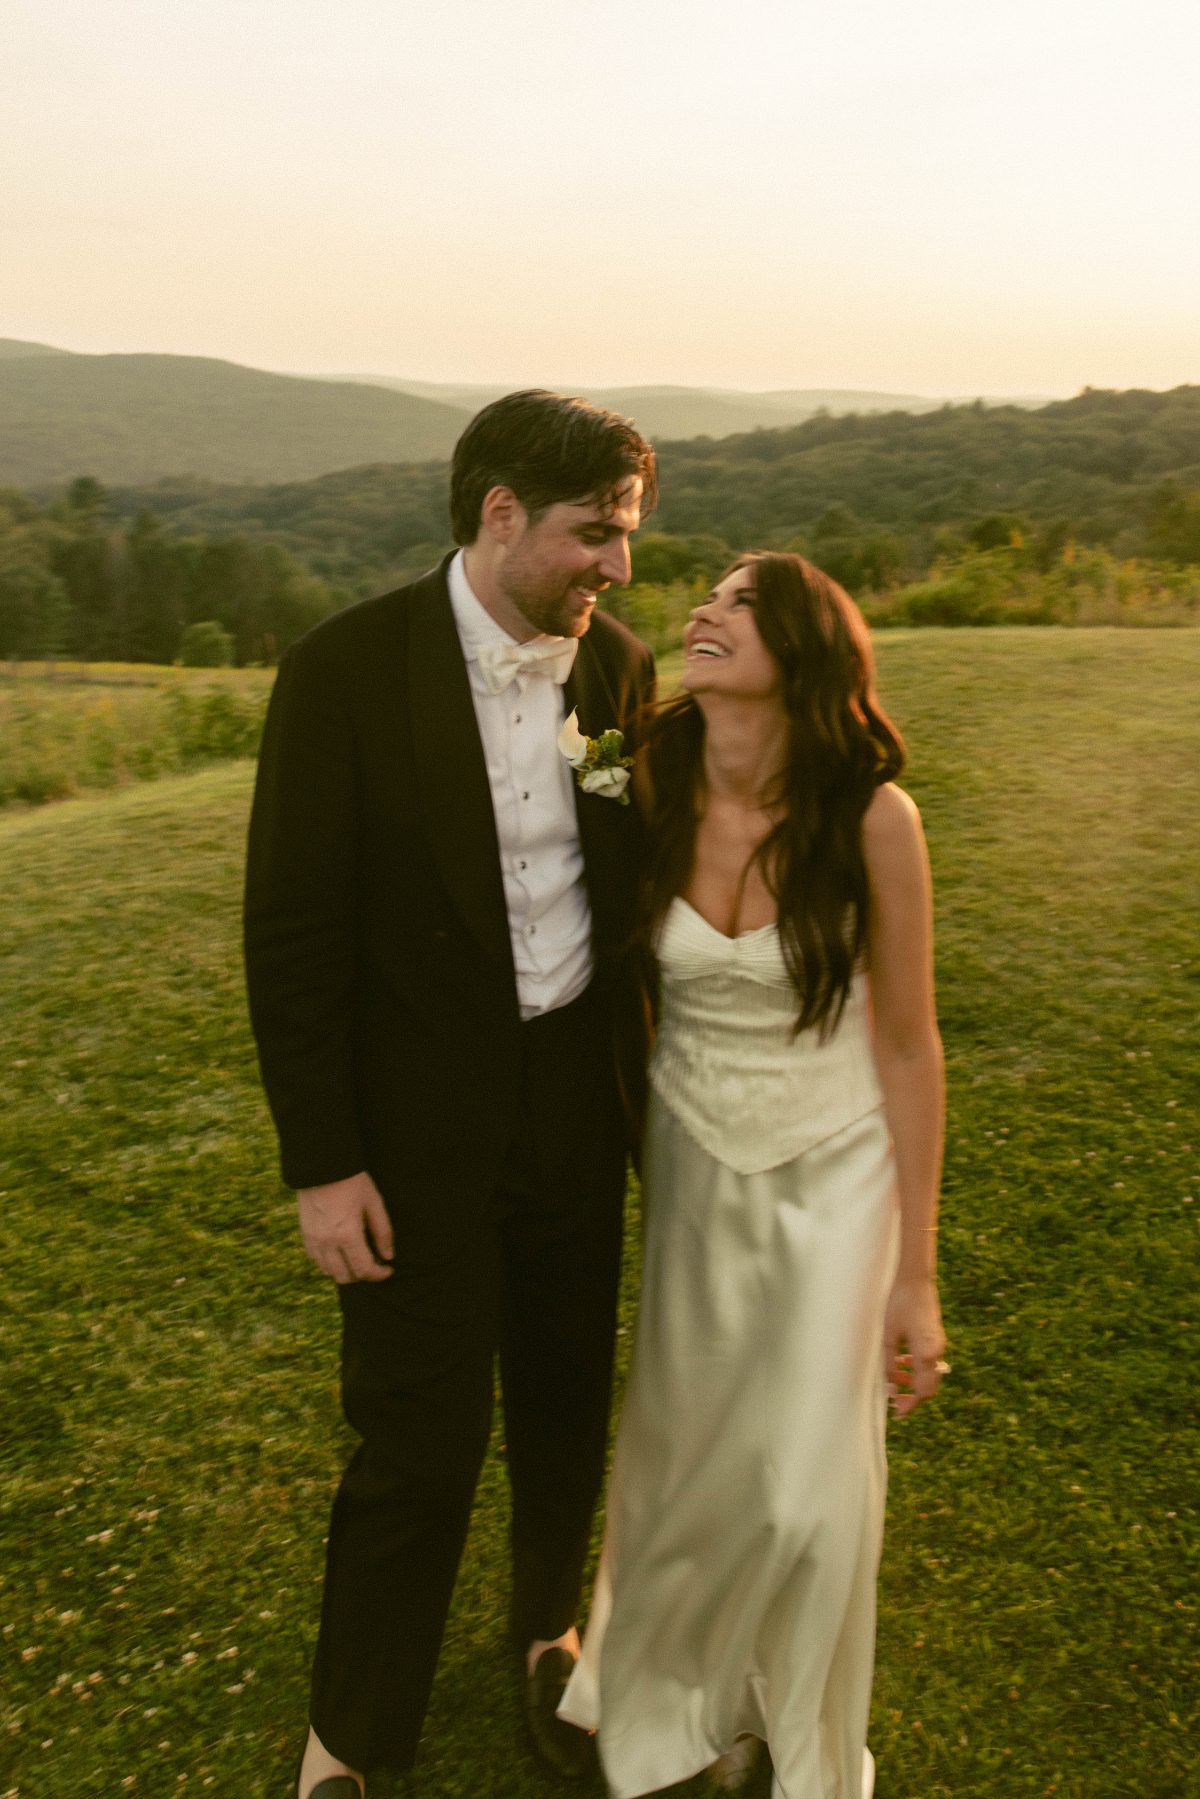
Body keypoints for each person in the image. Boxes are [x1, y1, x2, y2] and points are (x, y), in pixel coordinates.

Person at [243, 390, 657, 1799]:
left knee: (558, 1398)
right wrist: (324, 1161)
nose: (616, 566)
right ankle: (352, 1732)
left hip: (573, 1112)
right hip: (410, 1137)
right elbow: (291, 938)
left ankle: (547, 1631)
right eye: (594, 534)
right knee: (415, 1437)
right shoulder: (343, 670)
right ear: (496, 514)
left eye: (628, 535)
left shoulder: (620, 672)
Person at [560, 552, 947, 1799]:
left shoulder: (875, 819)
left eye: (741, 601)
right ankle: (687, 1703)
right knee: (683, 1449)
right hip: (689, 1146)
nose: (706, 610)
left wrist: (918, 1274)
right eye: (708, 596)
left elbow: (906, 1040)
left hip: (836, 1159)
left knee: (800, 1480)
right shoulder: (651, 780)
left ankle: (799, 1725)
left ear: (807, 649)